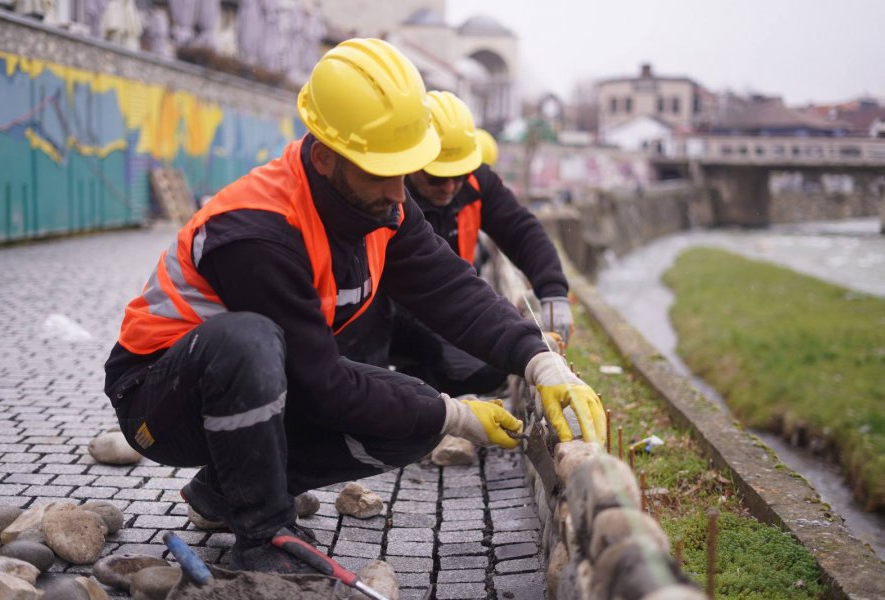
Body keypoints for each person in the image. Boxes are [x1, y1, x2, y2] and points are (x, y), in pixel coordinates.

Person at [104, 39, 605, 575]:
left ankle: (224, 491)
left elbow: (451, 288)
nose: (398, 191)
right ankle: (264, 535)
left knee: (413, 417)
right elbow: (323, 386)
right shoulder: (258, 231)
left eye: (404, 169)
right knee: (248, 341)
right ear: (324, 157)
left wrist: (538, 359)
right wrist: (456, 414)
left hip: (266, 381)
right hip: (160, 400)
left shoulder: (383, 203)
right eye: (380, 171)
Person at [340, 91, 575, 396]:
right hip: (383, 311)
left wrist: (554, 291)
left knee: (491, 369)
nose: (449, 187)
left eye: (459, 176)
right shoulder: (388, 196)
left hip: (445, 300)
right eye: (436, 178)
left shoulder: (479, 183)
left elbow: (521, 230)